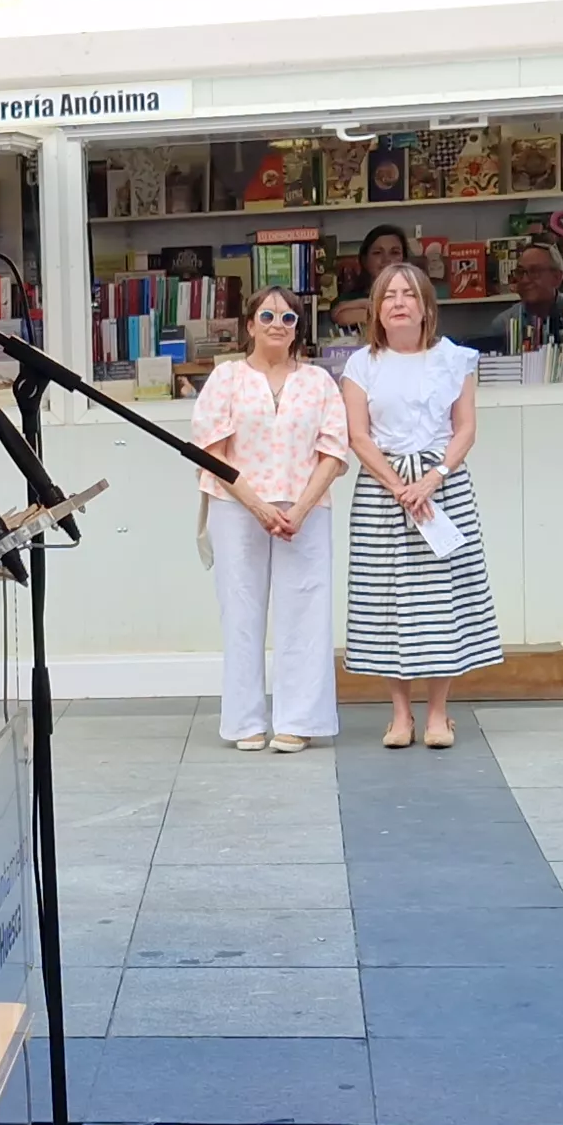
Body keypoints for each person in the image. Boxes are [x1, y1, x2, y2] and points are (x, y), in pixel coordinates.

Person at [337, 261, 503, 748]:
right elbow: (358, 435)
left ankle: (438, 713)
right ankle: (400, 713)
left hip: (442, 484)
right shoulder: (361, 364)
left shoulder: (455, 359)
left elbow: (465, 427)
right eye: (388, 296)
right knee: (387, 601)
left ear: (427, 305)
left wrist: (434, 477)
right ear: (376, 310)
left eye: (408, 294)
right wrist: (396, 485)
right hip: (382, 490)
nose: (399, 304)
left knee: (442, 599)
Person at [197, 288, 351, 752]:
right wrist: (259, 507)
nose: (276, 323)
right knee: (241, 609)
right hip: (235, 506)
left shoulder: (319, 383)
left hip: (306, 508)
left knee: (306, 609)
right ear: (249, 324)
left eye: (287, 317)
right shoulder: (225, 378)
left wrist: (299, 508)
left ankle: (298, 719)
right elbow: (211, 449)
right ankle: (245, 721)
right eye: (266, 314)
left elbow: (333, 449)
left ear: (297, 327)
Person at [482, 238, 563, 353]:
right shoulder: (503, 324)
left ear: (557, 277)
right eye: (520, 272)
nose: (525, 280)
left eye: (535, 272)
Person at [331, 222, 411, 337]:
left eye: (394, 253)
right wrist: (367, 303)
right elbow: (341, 316)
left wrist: (365, 308)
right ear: (364, 260)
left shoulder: (414, 297)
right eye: (377, 253)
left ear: (404, 260)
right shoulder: (346, 297)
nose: (386, 259)